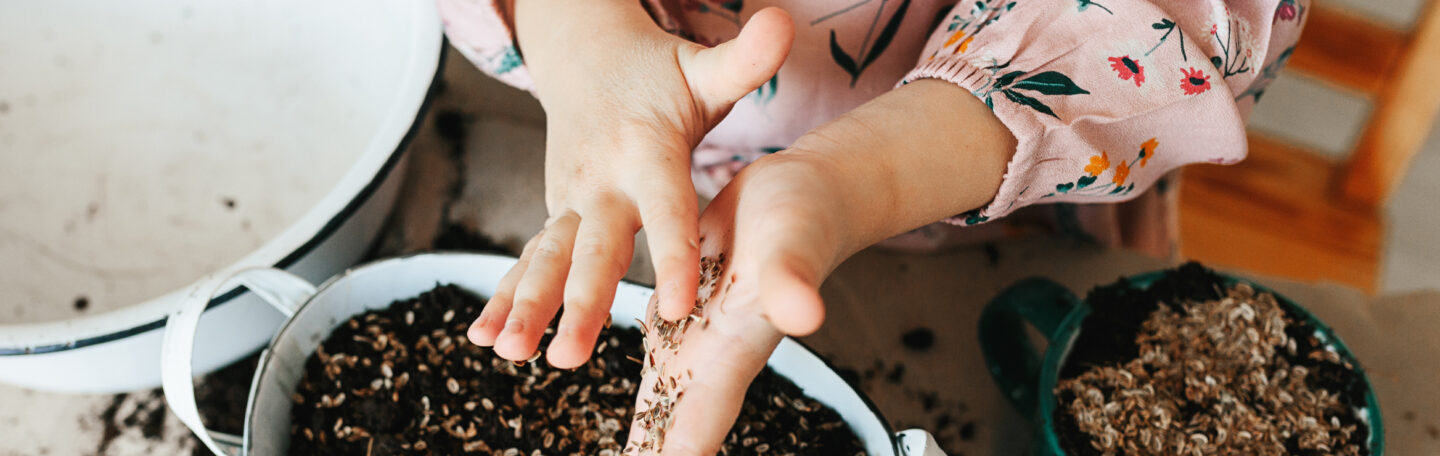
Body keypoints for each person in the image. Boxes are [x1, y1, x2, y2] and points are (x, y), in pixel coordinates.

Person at [437, 0, 1307, 453]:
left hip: (1030, 184)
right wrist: (585, 44)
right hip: (666, 164)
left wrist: (855, 178)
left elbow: (1186, 20)